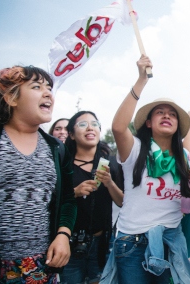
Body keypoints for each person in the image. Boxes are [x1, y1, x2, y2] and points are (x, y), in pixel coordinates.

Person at [110, 54, 190, 283]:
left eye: (172, 115)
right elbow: (119, 128)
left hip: (171, 243)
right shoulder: (136, 149)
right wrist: (141, 80)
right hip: (132, 243)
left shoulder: (185, 159)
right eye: (160, 112)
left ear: (178, 126)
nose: (167, 116)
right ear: (148, 122)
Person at [0, 66, 77, 283]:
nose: (48, 93)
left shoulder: (57, 148)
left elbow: (67, 199)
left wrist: (63, 235)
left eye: (49, 88)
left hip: (42, 267)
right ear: (11, 98)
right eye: (36, 87)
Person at [60, 111, 124, 284]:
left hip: (102, 243)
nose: (90, 127)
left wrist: (110, 183)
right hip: (69, 242)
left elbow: (122, 202)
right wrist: (75, 192)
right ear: (71, 134)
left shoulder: (112, 164)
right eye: (83, 124)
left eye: (94, 124)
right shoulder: (63, 165)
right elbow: (50, 202)